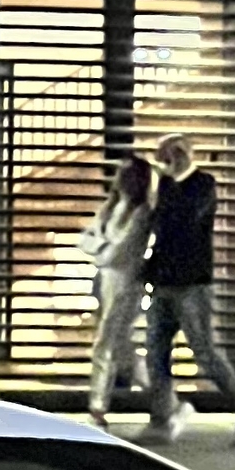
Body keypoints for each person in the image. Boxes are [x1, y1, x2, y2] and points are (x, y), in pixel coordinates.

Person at [141, 133, 235, 449]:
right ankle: (161, 418)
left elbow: (185, 220)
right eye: (163, 154)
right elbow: (158, 226)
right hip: (163, 283)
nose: (167, 160)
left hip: (193, 284)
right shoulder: (164, 187)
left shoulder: (202, 185)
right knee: (155, 352)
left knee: (205, 352)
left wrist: (173, 179)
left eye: (173, 153)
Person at [84, 152, 154, 425]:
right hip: (104, 280)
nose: (123, 178)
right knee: (121, 346)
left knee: (105, 342)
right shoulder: (111, 206)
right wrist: (103, 250)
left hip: (125, 284)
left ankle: (97, 406)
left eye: (129, 174)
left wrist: (100, 249)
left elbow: (120, 252)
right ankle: (162, 398)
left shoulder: (141, 212)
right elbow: (86, 239)